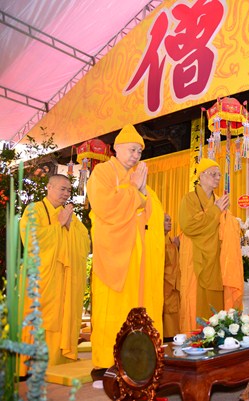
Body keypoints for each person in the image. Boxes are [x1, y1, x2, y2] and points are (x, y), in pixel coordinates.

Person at [87, 124, 165, 371]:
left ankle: (138, 364)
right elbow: (105, 206)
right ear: (116, 149)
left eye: (139, 151)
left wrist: (142, 192)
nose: (135, 155)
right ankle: (106, 365)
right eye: (132, 149)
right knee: (112, 308)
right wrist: (135, 192)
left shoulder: (138, 179)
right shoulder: (102, 172)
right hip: (114, 256)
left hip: (137, 257)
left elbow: (152, 214)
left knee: (137, 309)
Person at [19, 174, 90, 369]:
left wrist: (68, 227)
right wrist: (59, 224)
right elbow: (31, 239)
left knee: (62, 317)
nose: (66, 193)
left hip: (64, 278)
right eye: (62, 189)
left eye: (69, 190)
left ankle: (59, 361)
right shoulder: (34, 210)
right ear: (49, 187)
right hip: (42, 277)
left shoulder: (70, 216)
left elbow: (85, 242)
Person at [179, 158, 230, 319]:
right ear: (201, 175)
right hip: (194, 255)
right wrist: (216, 211)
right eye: (213, 174)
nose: (217, 178)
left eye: (219, 175)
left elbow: (225, 226)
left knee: (215, 303)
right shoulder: (189, 199)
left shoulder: (218, 200)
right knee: (194, 299)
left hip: (216, 257)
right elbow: (189, 225)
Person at [163, 213, 180, 338]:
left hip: (172, 280)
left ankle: (172, 335)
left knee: (173, 308)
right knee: (166, 308)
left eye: (170, 220)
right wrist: (174, 247)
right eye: (166, 220)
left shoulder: (169, 239)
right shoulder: (158, 238)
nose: (170, 223)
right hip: (165, 281)